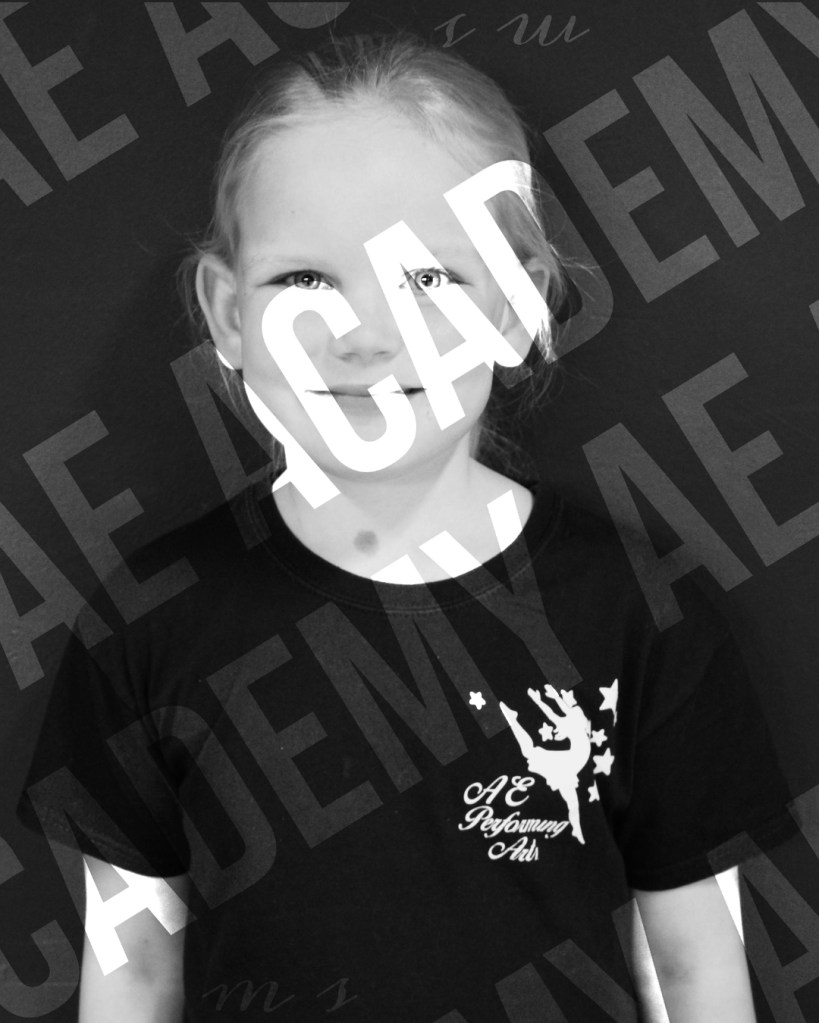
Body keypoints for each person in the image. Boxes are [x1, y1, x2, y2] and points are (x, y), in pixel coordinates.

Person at [18, 32, 796, 1022]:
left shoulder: (643, 614)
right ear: (227, 312)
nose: (366, 336)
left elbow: (693, 969)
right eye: (305, 280)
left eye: (430, 278)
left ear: (516, 306)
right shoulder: (147, 623)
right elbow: (132, 972)